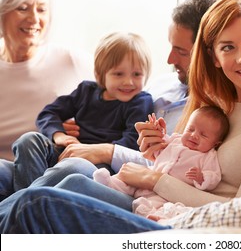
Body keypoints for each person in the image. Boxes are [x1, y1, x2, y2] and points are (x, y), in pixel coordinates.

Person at [0, 0, 241, 233]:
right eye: (228, 47)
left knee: (37, 201)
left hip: (186, 225)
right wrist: (155, 154)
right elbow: (173, 163)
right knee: (72, 180)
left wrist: (154, 178)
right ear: (214, 57)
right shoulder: (215, 105)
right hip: (153, 201)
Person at [11, 31, 154, 191]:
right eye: (118, 74)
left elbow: (131, 143)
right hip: (67, 151)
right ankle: (26, 199)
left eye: (137, 74)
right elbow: (49, 113)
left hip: (99, 165)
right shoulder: (86, 90)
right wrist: (60, 136)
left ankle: (25, 200)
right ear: (100, 74)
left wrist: (92, 151)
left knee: (72, 165)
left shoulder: (140, 101)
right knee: (28, 140)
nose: (128, 81)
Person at [0, 0, 94, 200]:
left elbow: (119, 101)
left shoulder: (72, 61)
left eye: (41, 10)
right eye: (22, 8)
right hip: (5, 170)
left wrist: (84, 122)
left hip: (53, 171)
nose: (33, 19)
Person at [94, 106, 229, 219]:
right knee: (126, 175)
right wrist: (157, 132)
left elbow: (214, 177)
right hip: (146, 177)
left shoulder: (208, 156)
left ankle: (151, 215)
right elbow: (160, 146)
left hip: (166, 193)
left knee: (158, 205)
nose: (194, 135)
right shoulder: (176, 139)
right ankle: (108, 183)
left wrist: (202, 177)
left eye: (203, 135)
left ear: (215, 143)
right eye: (190, 129)